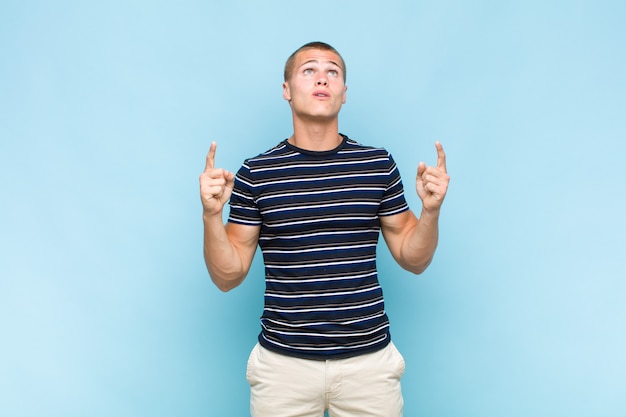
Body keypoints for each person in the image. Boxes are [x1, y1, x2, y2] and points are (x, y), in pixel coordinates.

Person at [199, 41, 449, 417]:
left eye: (333, 71)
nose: (322, 78)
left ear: (344, 93)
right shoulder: (256, 173)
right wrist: (210, 217)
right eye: (309, 70)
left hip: (369, 367)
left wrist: (430, 213)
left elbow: (414, 259)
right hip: (284, 370)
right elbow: (227, 275)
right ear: (287, 89)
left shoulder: (377, 166)